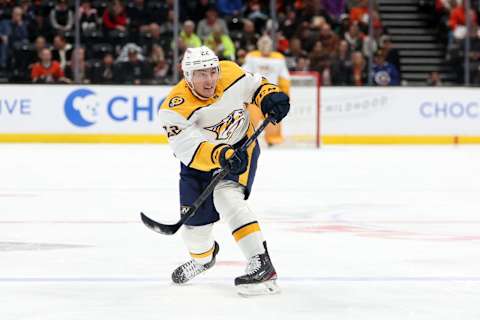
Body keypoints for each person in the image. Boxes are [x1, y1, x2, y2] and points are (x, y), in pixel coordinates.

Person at [158, 46, 289, 296]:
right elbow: (188, 149)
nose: (209, 80)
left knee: (226, 196)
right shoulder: (173, 109)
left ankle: (261, 262)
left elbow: (255, 86)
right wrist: (220, 154)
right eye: (200, 74)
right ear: (187, 76)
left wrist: (269, 95)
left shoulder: (230, 72)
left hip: (241, 146)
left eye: (212, 71)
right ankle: (203, 259)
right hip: (198, 163)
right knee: (194, 233)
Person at [243, 35, 290, 146]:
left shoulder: (279, 58)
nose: (265, 45)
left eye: (267, 43)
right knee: (250, 119)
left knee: (273, 120)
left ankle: (273, 139)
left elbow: (284, 78)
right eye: (262, 43)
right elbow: (244, 75)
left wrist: (285, 94)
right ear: (258, 45)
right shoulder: (251, 57)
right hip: (254, 96)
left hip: (273, 96)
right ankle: (245, 140)